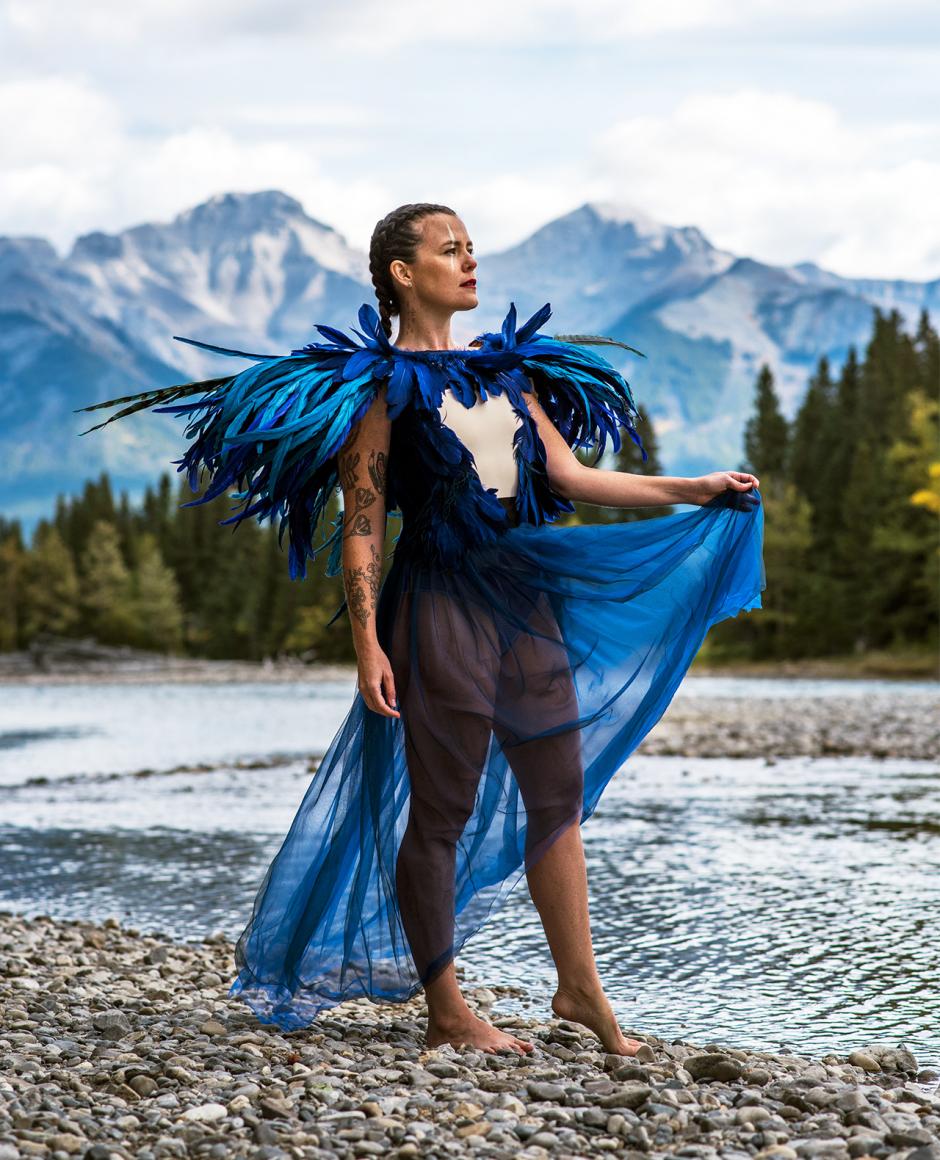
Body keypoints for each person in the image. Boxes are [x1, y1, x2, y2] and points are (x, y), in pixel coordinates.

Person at [76, 201, 765, 1059]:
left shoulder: (507, 373)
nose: (471, 261)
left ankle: (579, 988)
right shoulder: (376, 389)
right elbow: (362, 524)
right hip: (437, 603)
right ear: (404, 274)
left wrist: (696, 488)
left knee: (556, 796)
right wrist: (366, 643)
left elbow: (570, 476)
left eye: (473, 248)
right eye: (451, 250)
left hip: (525, 594)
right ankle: (446, 1008)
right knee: (441, 809)